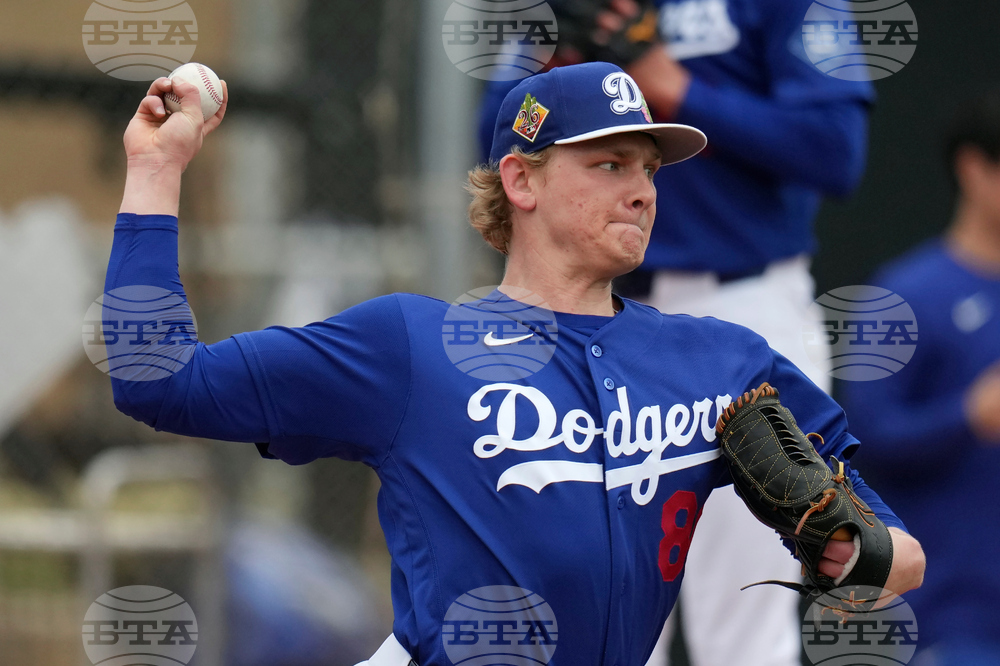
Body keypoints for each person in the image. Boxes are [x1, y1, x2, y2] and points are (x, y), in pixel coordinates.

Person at [109, 62, 921, 665]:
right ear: (520, 179)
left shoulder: (718, 361)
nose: (641, 190)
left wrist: (842, 544)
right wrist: (155, 171)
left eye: (648, 168)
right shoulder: (409, 348)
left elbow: (897, 562)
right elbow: (156, 378)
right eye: (609, 164)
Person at [477, 1, 875, 663]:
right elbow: (492, 147)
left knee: (744, 619)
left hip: (742, 303)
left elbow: (836, 152)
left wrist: (677, 90)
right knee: (599, 610)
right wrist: (560, 79)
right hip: (591, 316)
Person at [841, 91, 1000, 666]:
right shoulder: (904, 295)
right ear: (974, 168)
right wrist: (969, 416)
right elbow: (862, 443)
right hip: (948, 615)